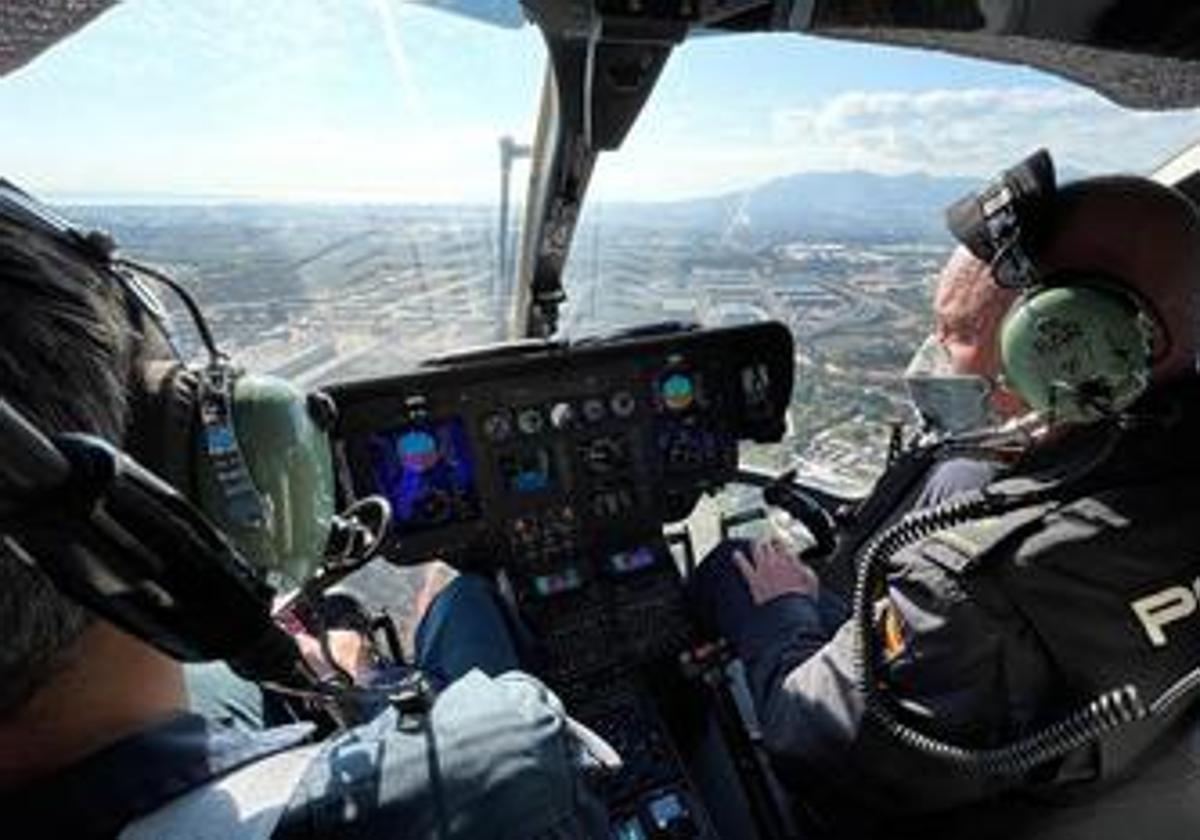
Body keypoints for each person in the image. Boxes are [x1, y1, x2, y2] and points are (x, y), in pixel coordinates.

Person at [0, 201, 612, 838]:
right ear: (159, 492)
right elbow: (518, 736)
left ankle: (340, 665)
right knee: (464, 598)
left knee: (217, 679)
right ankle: (370, 658)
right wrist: (364, 682)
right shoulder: (513, 759)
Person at [693, 172, 1200, 838]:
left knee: (735, 567)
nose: (932, 359)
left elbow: (811, 747)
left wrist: (778, 617)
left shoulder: (977, 586)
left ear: (1066, 345)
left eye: (954, 331)